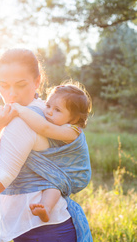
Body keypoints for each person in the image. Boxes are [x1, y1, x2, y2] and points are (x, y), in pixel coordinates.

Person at [0, 48, 94, 242]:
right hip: (38, 231)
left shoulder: (25, 119)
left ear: (37, 81)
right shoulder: (43, 110)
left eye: (20, 85)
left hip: (44, 233)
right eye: (3, 85)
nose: (10, 95)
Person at [11, 82, 92, 222]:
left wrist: (20, 109)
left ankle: (46, 207)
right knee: (51, 182)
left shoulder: (72, 131)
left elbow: (44, 129)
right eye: (48, 106)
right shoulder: (57, 121)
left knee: (54, 184)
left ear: (74, 119)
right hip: (62, 167)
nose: (48, 111)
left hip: (75, 172)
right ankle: (43, 207)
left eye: (57, 110)